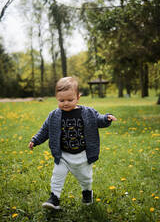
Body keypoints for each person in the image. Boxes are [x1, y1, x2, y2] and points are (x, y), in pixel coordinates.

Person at [29, 77, 117, 209]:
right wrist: (35, 140)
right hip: (63, 155)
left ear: (78, 97)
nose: (65, 103)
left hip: (82, 155)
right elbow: (45, 130)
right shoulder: (54, 115)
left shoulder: (88, 112)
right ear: (56, 98)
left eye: (70, 100)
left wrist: (106, 118)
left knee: (86, 178)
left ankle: (87, 192)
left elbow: (98, 119)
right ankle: (54, 198)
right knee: (56, 176)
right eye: (61, 100)